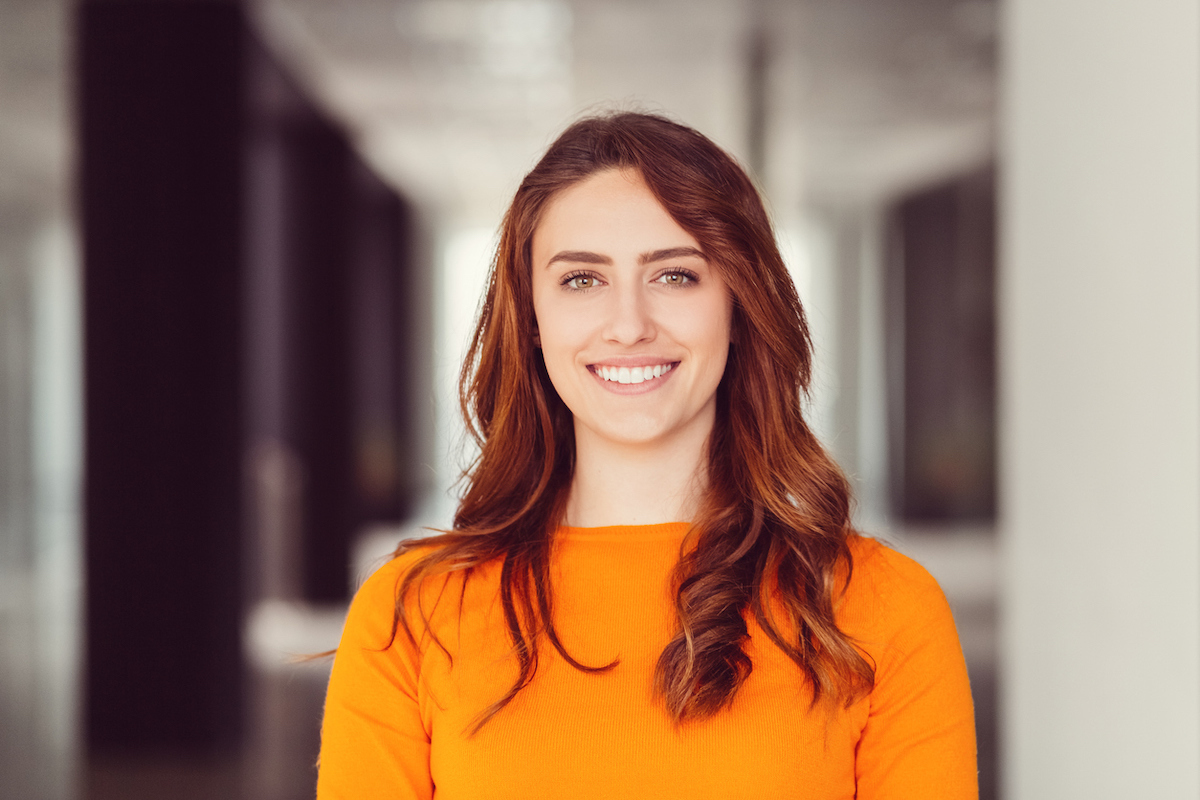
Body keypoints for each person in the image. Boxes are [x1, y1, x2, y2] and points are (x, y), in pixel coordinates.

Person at [316, 112, 977, 799]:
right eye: (581, 280)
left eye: (675, 276)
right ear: (532, 319)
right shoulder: (412, 616)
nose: (629, 324)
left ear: (738, 303)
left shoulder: (884, 608)